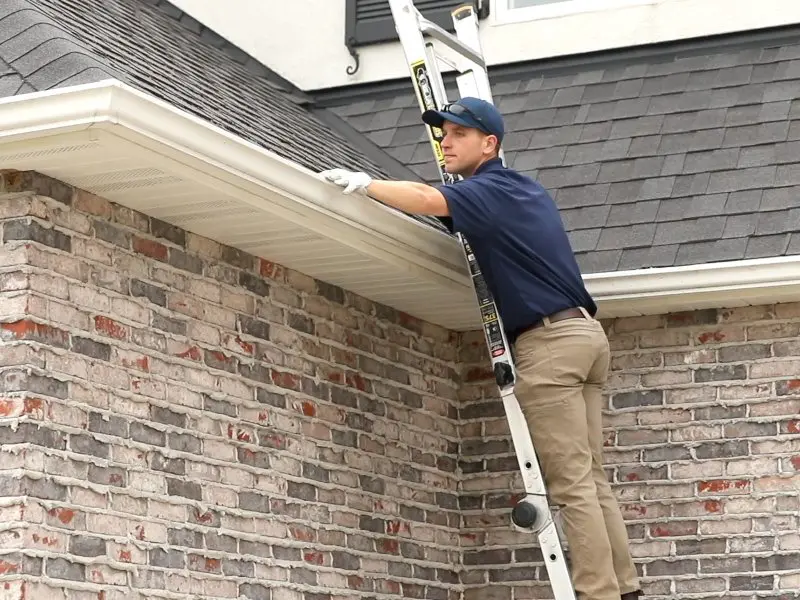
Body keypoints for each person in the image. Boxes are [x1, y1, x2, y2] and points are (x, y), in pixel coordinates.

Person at [319, 97, 642, 600]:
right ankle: (626, 589)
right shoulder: (520, 190)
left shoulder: (487, 189)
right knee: (592, 478)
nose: (445, 142)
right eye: (442, 133)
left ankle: (598, 593)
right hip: (585, 337)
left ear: (489, 144)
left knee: (571, 484)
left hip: (550, 344)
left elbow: (427, 199)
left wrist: (367, 184)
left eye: (459, 134)